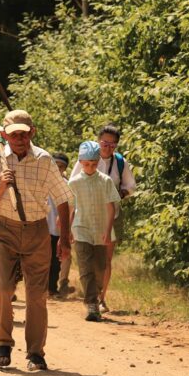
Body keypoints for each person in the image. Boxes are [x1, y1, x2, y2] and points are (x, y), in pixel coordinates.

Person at [0, 110, 73, 371]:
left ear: (32, 133)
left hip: (36, 230)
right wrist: (1, 187)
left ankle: (35, 352)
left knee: (36, 294)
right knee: (4, 289)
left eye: (24, 133)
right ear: (4, 135)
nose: (19, 139)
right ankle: (3, 343)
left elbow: (63, 197)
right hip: (4, 229)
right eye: (14, 134)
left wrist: (64, 238)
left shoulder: (44, 160)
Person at [70, 124, 135, 312]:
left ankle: (101, 298)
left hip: (110, 215)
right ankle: (92, 299)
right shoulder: (86, 159)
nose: (108, 147)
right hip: (86, 216)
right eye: (105, 143)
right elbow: (73, 189)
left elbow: (131, 186)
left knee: (104, 260)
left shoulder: (120, 163)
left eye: (112, 144)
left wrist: (120, 193)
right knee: (86, 258)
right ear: (99, 142)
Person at [69, 141, 121, 322]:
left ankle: (97, 295)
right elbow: (71, 208)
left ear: (98, 161)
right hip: (81, 227)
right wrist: (67, 230)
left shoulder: (105, 181)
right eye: (86, 164)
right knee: (85, 266)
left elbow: (111, 208)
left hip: (100, 229)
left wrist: (108, 231)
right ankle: (91, 304)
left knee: (100, 267)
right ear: (80, 162)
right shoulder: (74, 183)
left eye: (94, 163)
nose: (90, 167)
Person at [47, 152, 70, 296]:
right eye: (55, 165)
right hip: (42, 227)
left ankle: (52, 287)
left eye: (61, 166)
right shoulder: (42, 181)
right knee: (42, 259)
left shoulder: (67, 184)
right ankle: (41, 287)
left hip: (57, 228)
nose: (58, 168)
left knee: (56, 261)